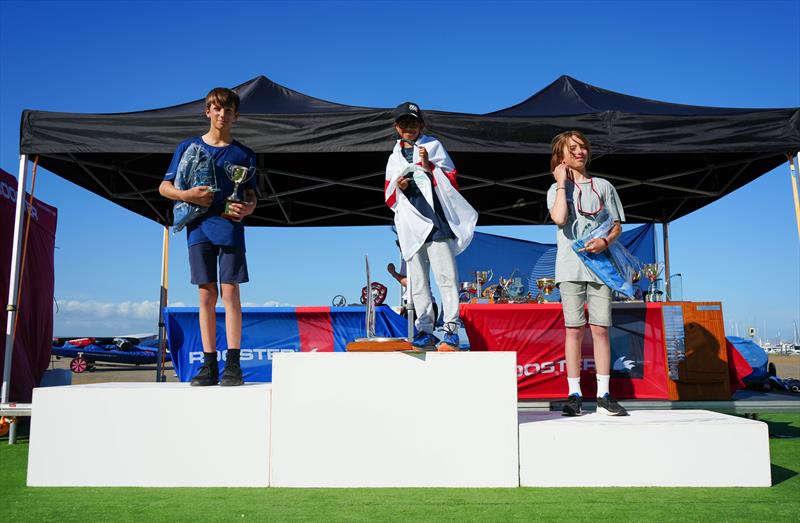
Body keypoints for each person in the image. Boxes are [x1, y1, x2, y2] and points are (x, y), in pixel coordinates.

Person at [159, 87, 257, 386]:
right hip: (198, 228)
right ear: (207, 111)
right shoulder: (188, 147)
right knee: (206, 295)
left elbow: (252, 198)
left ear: (235, 116)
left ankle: (233, 365)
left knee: (230, 294)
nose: (222, 115)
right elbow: (164, 187)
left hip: (230, 229)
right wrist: (186, 194)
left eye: (228, 110)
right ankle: (209, 364)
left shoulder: (245, 154)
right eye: (216, 109)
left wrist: (246, 209)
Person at [546, 130, 628, 416]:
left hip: (600, 267)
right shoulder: (555, 189)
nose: (580, 152)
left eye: (583, 147)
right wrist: (560, 183)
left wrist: (605, 241)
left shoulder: (603, 186)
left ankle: (604, 395)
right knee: (574, 330)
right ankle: (575, 394)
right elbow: (559, 218)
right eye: (573, 148)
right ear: (562, 155)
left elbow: (617, 224)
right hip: (569, 267)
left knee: (601, 329)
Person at [384, 102, 478, 351]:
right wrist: (400, 187)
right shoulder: (393, 157)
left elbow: (451, 179)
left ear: (421, 125)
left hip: (435, 220)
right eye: (404, 123)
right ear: (396, 127)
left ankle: (450, 328)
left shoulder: (433, 146)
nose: (409, 128)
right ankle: (425, 329)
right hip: (411, 223)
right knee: (417, 280)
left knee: (446, 276)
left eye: (413, 123)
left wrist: (429, 166)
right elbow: (388, 193)